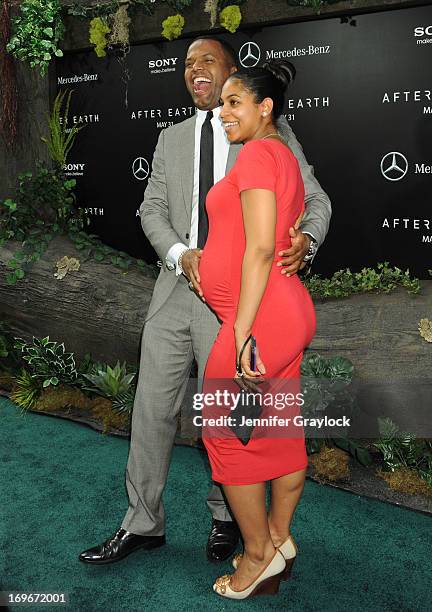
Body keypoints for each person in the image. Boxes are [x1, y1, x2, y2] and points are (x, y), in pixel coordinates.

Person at [79, 37, 330, 567]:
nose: (195, 71)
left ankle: (226, 520)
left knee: (229, 412)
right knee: (152, 408)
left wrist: (306, 238)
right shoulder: (170, 138)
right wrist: (179, 254)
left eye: (206, 62)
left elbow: (315, 198)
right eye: (188, 64)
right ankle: (142, 522)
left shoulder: (267, 133)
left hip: (241, 303)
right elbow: (152, 210)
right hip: (176, 290)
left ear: (230, 72)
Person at [199, 60, 315, 600]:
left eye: (234, 102)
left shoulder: (261, 153)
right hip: (282, 312)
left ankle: (257, 557)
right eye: (221, 103)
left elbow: (264, 248)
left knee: (224, 434)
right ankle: (280, 537)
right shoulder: (280, 155)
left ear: (265, 107)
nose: (224, 112)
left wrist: (242, 330)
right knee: (280, 429)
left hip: (261, 318)